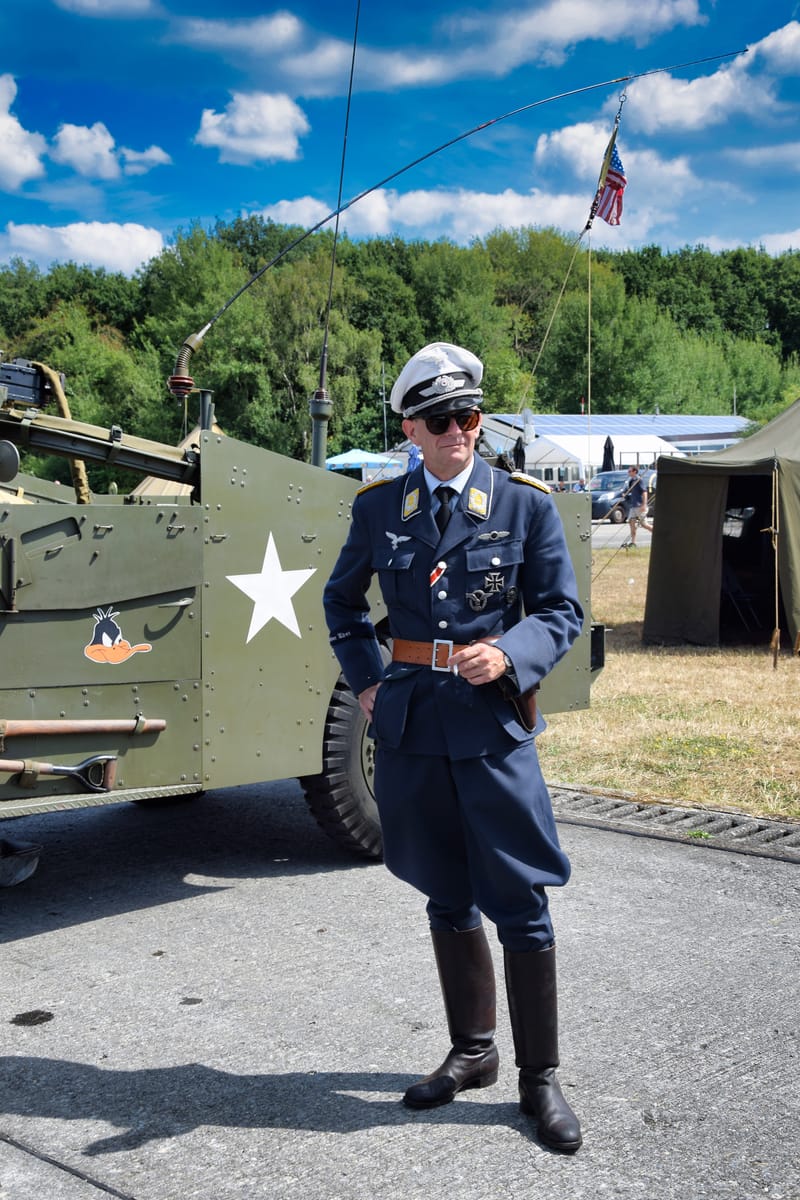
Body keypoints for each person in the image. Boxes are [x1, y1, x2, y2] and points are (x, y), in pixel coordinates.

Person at [323, 342, 585, 1153]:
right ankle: (474, 1052)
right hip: (410, 729)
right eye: (441, 420)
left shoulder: (523, 505)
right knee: (444, 892)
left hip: (491, 731)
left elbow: (560, 611)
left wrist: (511, 654)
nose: (459, 432)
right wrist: (368, 680)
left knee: (521, 904)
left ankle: (539, 1078)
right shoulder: (379, 510)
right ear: (411, 429)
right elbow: (340, 601)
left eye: (469, 416)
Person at [625, 465, 653, 546]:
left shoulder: (639, 480)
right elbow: (629, 491)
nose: (628, 472)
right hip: (633, 506)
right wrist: (625, 494)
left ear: (635, 472)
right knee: (631, 522)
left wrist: (644, 505)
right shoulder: (632, 481)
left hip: (640, 506)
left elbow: (644, 492)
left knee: (644, 525)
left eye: (630, 471)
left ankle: (657, 534)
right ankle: (633, 542)